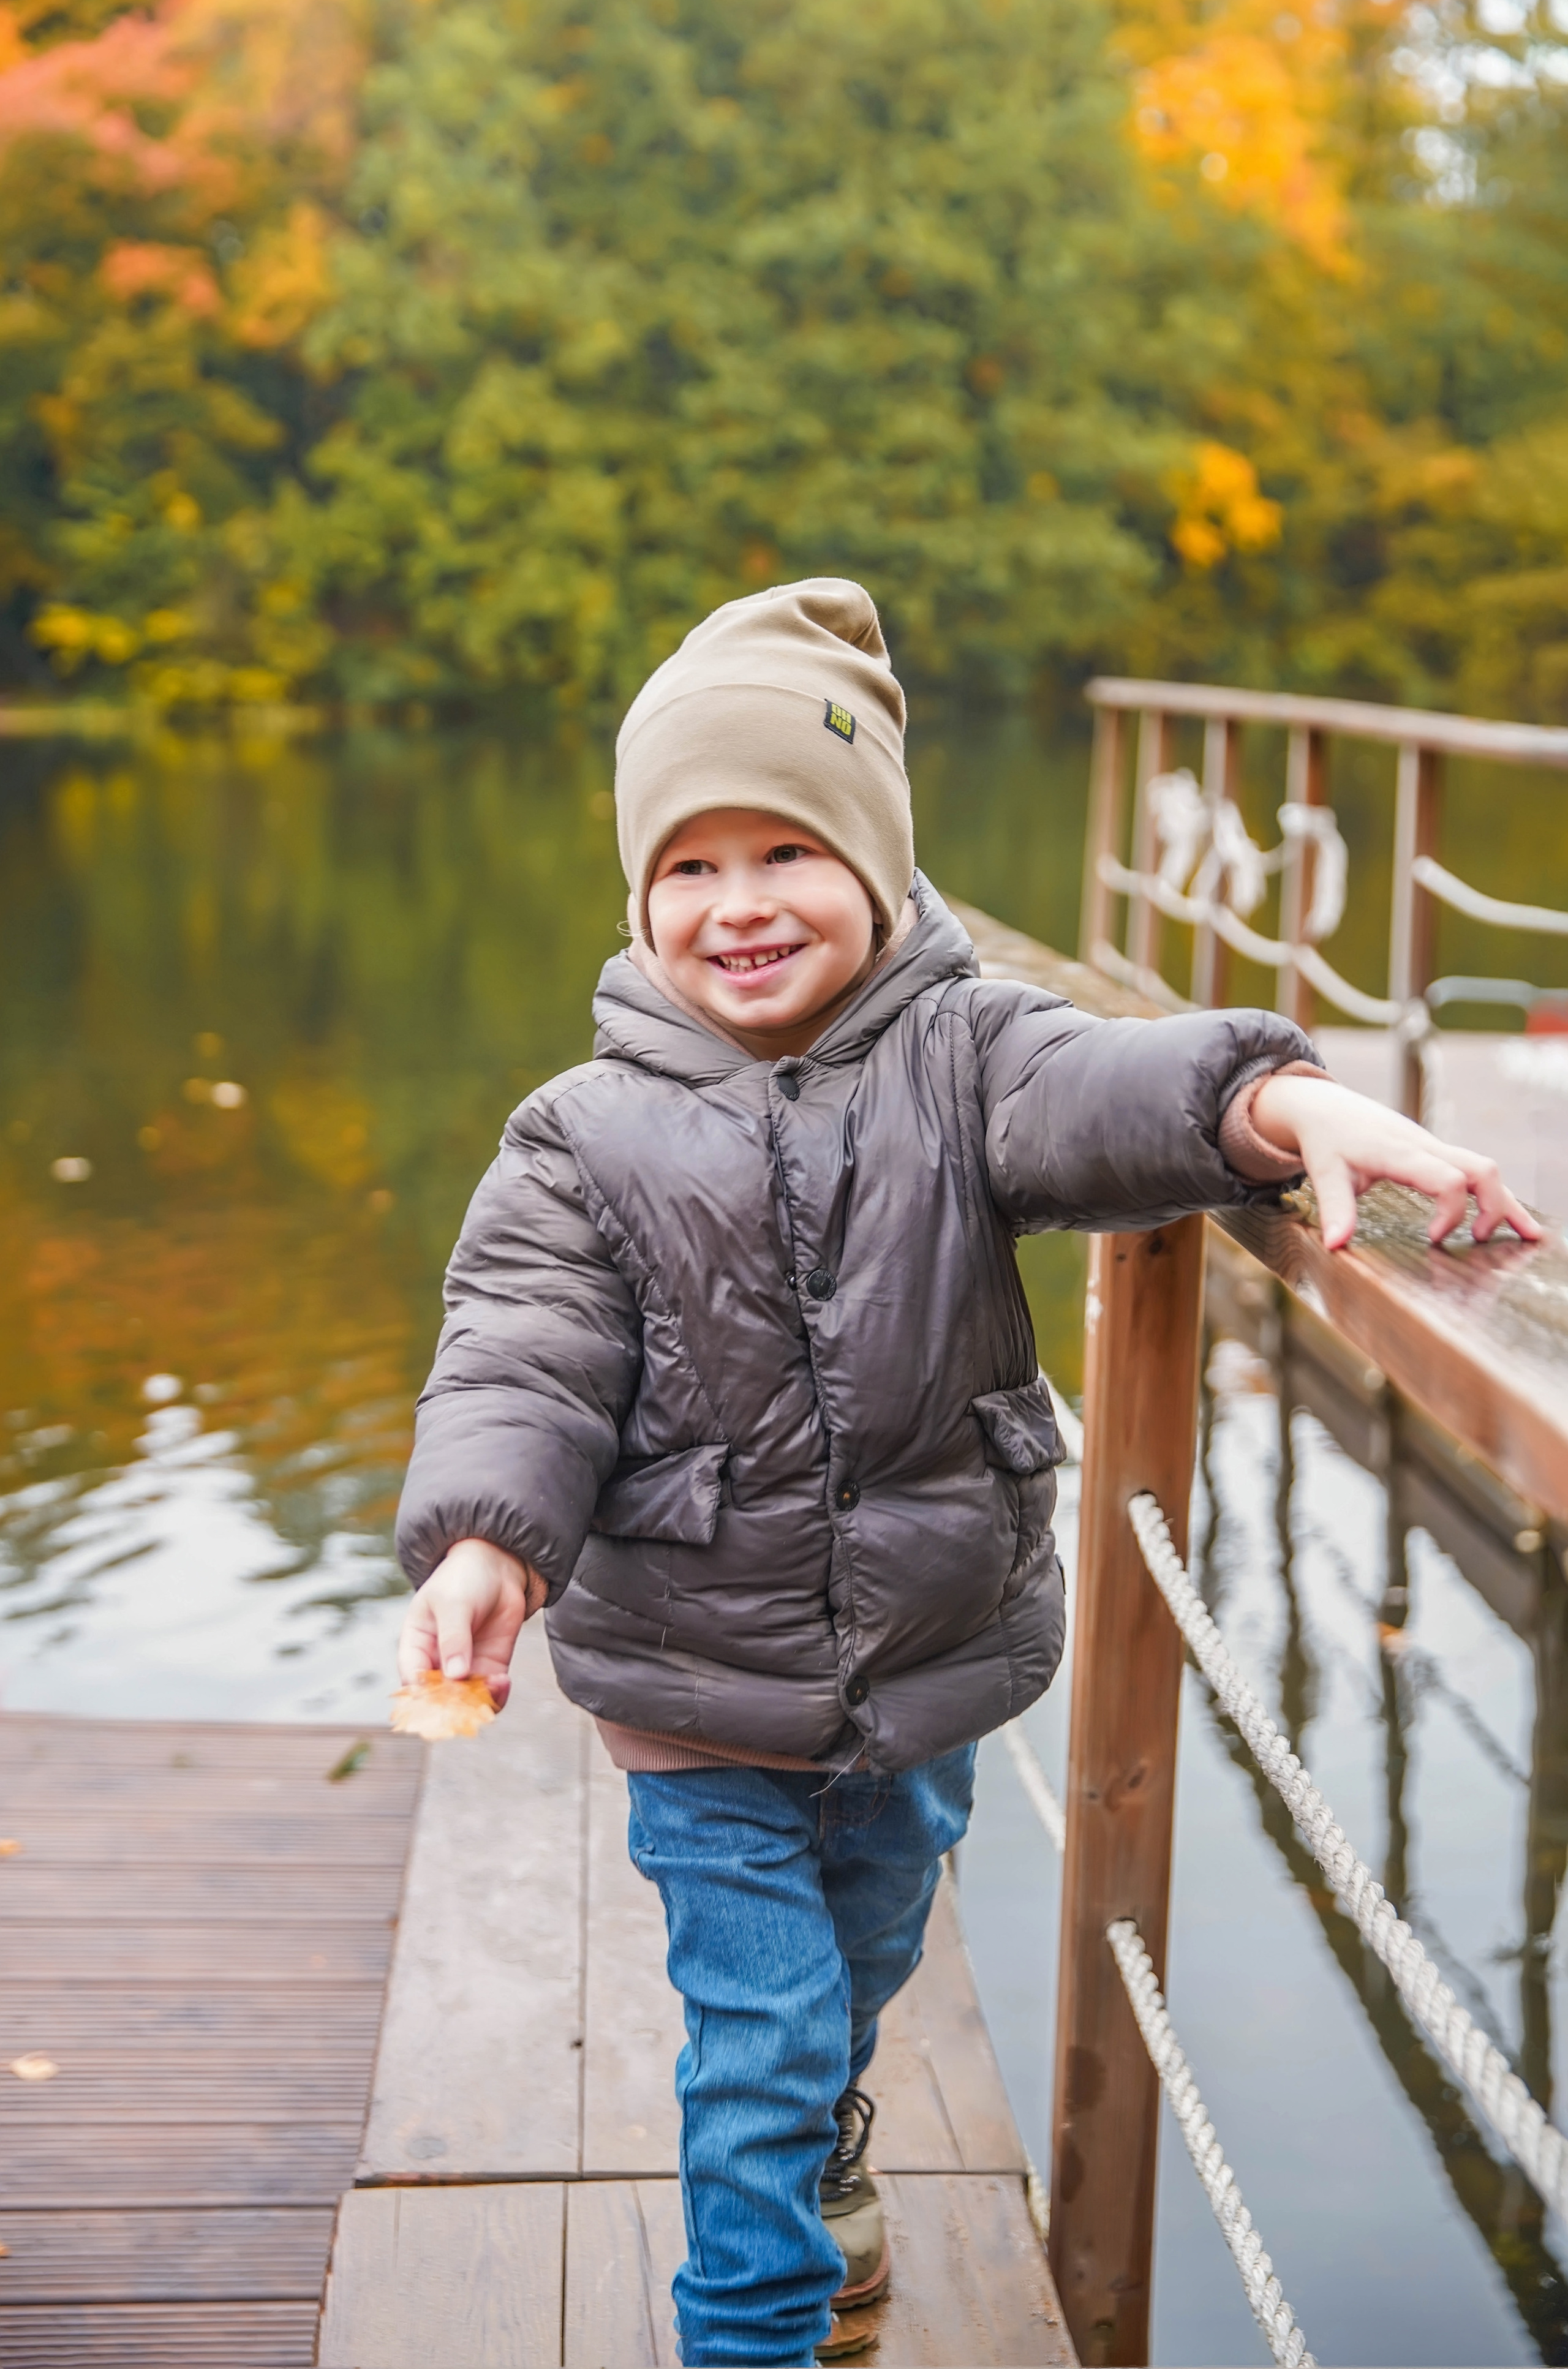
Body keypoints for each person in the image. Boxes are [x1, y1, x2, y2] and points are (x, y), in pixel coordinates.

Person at [394, 579, 1537, 2368]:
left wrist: (1293, 1107)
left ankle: (828, 2132)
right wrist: (483, 1538)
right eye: (689, 866)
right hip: (698, 1679)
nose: (740, 903)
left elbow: (1124, 1092)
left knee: (858, 1964)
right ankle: (752, 2328)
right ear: (637, 898)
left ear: (877, 870)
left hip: (932, 1668)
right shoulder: (580, 1135)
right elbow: (520, 1353)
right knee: (756, 2029)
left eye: (787, 850)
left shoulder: (966, 1054)